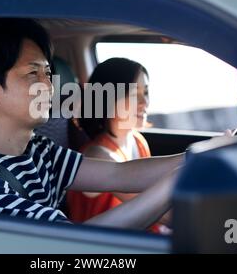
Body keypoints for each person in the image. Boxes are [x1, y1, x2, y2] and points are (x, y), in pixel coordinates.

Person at [0, 18, 190, 230]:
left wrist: (198, 157)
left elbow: (118, 174)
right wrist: (174, 183)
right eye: (32, 73)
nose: (48, 86)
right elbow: (77, 244)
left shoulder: (36, 148)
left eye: (47, 73)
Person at [66, 58, 170, 233]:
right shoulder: (98, 156)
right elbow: (163, 213)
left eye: (145, 92)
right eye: (133, 94)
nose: (144, 102)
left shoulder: (138, 140)